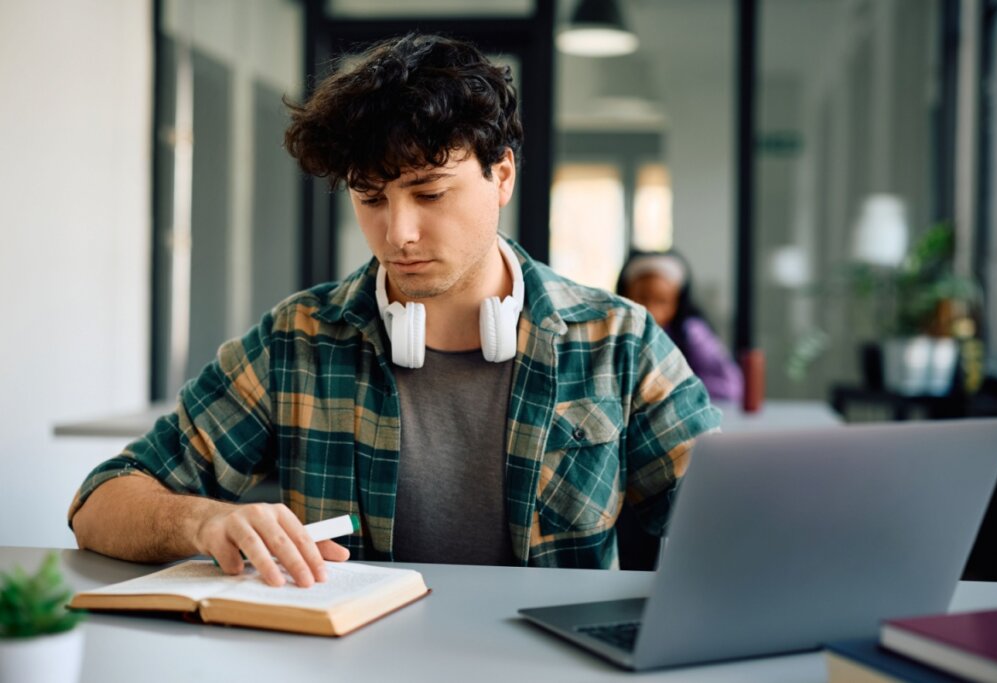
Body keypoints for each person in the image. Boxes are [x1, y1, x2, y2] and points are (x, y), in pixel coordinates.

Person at [68, 34, 720, 587]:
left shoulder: (620, 341)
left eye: (429, 192)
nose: (397, 233)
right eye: (370, 197)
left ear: (502, 176)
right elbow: (101, 499)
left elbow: (736, 526)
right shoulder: (298, 340)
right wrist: (206, 521)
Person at [617, 250, 743, 403]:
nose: (650, 309)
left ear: (677, 303)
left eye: (662, 301)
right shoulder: (613, 331)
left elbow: (731, 385)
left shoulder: (691, 333)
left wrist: (672, 389)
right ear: (625, 295)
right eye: (642, 297)